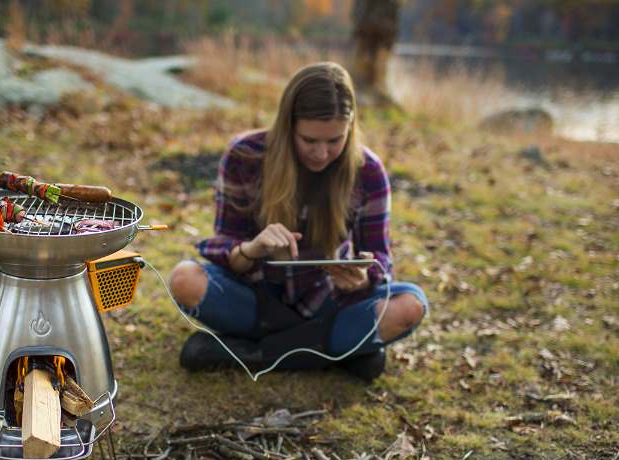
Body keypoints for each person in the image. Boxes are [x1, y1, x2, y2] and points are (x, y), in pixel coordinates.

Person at [169, 62, 427, 380]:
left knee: (411, 305)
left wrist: (363, 277)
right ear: (288, 125)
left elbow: (380, 256)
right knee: (184, 280)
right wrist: (252, 249)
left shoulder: (368, 171)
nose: (321, 153)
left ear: (350, 128)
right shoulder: (246, 155)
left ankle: (252, 353)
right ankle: (333, 353)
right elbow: (226, 246)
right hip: (256, 300)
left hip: (330, 303)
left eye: (335, 141)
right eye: (309, 140)